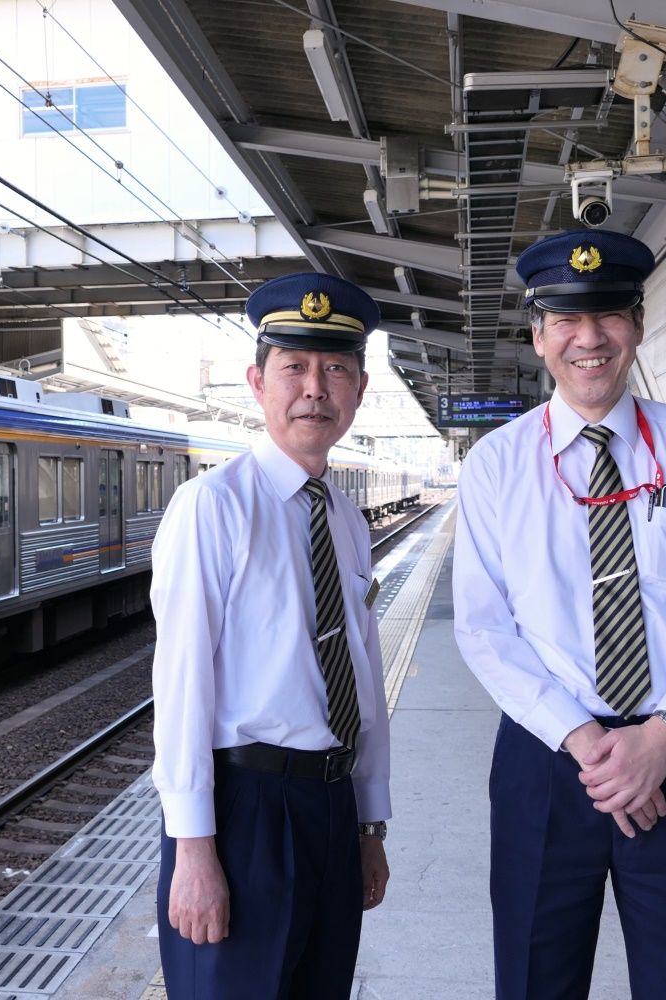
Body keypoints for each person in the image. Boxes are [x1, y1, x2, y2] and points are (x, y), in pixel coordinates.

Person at [453, 230, 666, 1000]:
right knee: (535, 980)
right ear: (537, 336)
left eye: (608, 315)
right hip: (548, 761)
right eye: (564, 318)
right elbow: (484, 628)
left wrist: (663, 736)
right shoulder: (497, 464)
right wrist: (592, 743)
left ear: (638, 324)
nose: (588, 338)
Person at [151, 271, 392, 999]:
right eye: (295, 367)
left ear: (358, 387)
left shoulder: (348, 521)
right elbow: (182, 683)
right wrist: (194, 850)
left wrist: (369, 823)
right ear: (258, 382)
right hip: (243, 812)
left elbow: (364, 678)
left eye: (335, 369)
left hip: (331, 809)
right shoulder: (211, 508)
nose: (315, 388)